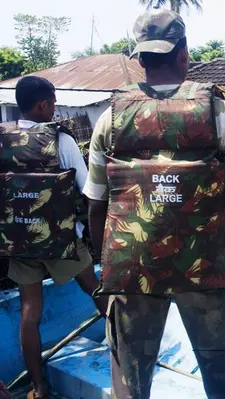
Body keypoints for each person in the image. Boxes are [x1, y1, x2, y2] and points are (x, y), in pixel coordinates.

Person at [83, 9, 225, 399]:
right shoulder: (220, 114)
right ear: (184, 52)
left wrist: (107, 275)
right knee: (222, 360)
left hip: (132, 269)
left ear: (140, 58)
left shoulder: (110, 118)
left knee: (129, 370)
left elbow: (96, 206)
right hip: (202, 265)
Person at [0, 76, 107, 399]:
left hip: (19, 239)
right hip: (61, 240)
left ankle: (38, 386)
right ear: (43, 104)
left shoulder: (2, 138)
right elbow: (88, 189)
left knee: (30, 311)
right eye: (53, 102)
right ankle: (126, 354)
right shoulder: (60, 140)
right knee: (97, 290)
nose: (54, 108)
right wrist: (92, 234)